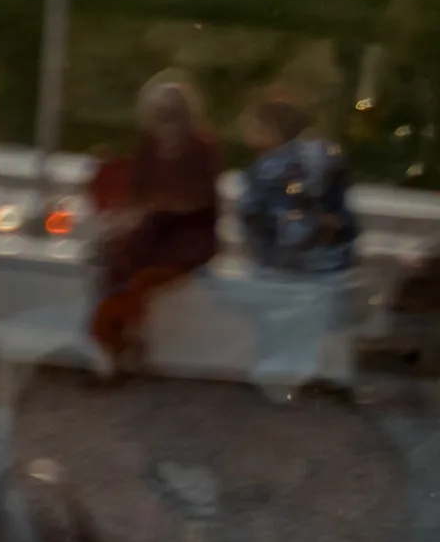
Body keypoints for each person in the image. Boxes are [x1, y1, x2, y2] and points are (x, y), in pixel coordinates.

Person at [84, 70, 223, 374]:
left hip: (190, 236)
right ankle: (114, 343)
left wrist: (150, 210)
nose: (167, 120)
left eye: (174, 113)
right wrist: (121, 220)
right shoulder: (147, 146)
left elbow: (198, 201)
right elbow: (137, 195)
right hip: (154, 230)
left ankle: (118, 342)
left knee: (141, 277)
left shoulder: (201, 149)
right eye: (160, 113)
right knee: (113, 259)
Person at [241, 86, 357, 280]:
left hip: (282, 267)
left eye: (256, 126)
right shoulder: (327, 156)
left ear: (272, 129)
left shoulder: (267, 169)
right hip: (330, 263)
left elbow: (253, 214)